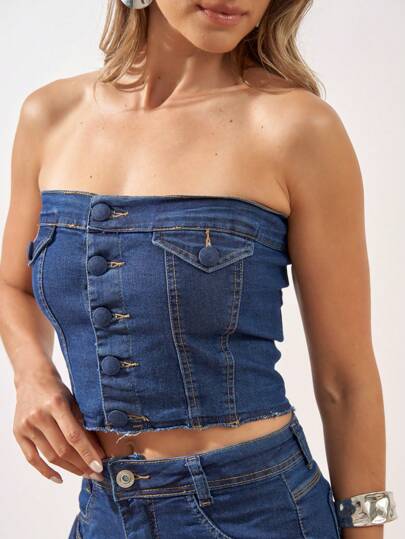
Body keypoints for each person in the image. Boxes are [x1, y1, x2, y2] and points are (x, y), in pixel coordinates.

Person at [0, 1, 397, 537]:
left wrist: (368, 529)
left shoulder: (298, 127)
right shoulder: (50, 117)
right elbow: (13, 284)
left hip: (257, 513)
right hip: (104, 513)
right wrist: (31, 377)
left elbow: (345, 381)